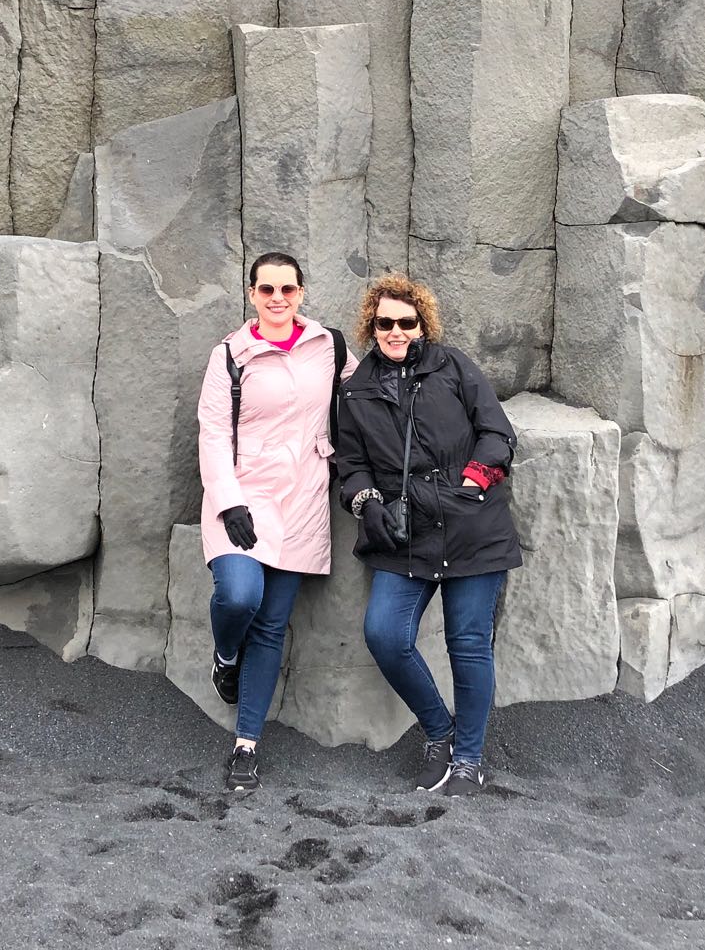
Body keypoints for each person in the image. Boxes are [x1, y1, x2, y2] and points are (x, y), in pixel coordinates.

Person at [336, 274, 521, 797]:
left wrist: (472, 480)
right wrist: (365, 502)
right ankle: (439, 731)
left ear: (423, 324)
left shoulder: (453, 366)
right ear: (372, 327)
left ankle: (468, 759)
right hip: (404, 533)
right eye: (385, 323)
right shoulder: (356, 391)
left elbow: (497, 432)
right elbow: (350, 464)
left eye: (406, 322)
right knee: (386, 635)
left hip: (470, 525)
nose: (396, 332)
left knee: (468, 642)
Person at [198, 252, 356, 793]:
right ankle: (224, 658)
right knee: (239, 596)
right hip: (243, 497)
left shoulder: (327, 345)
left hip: (304, 498)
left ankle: (246, 745)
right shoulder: (229, 355)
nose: (277, 299)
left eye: (287, 289)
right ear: (251, 294)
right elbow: (214, 433)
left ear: (301, 292)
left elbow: (367, 394)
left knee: (270, 627)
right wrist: (228, 501)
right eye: (267, 289)